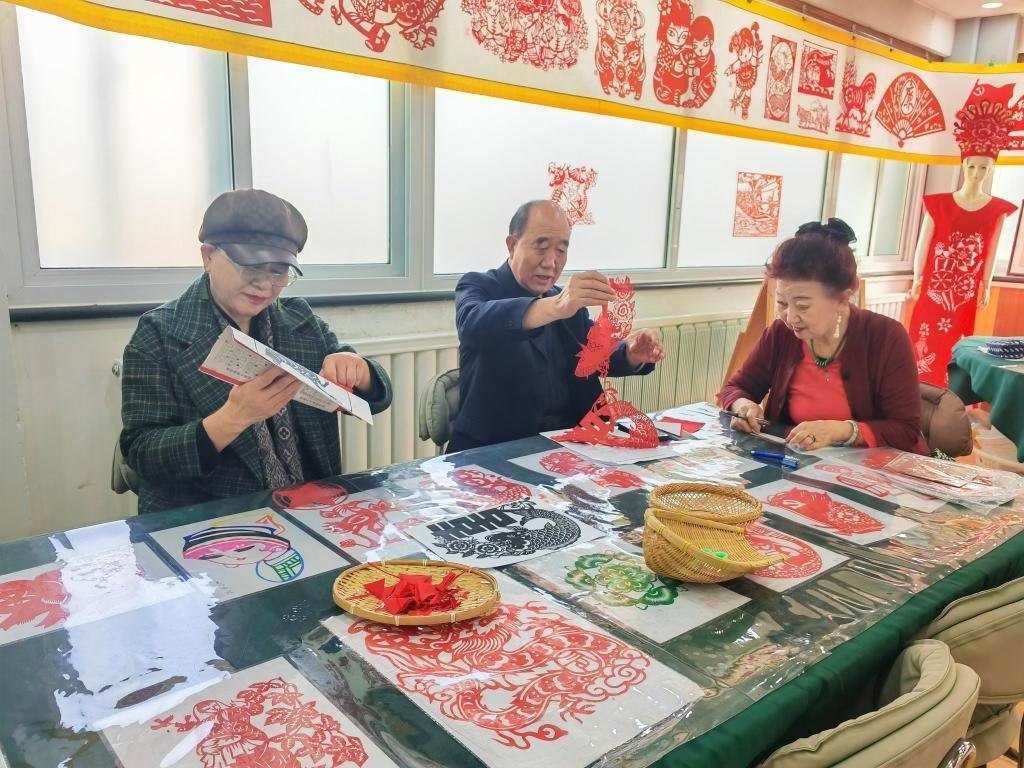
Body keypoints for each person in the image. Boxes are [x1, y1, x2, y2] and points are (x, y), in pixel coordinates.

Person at [120, 189, 393, 514]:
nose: (264, 285)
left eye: (278, 271)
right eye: (250, 267)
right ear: (208, 256)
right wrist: (232, 418)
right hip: (213, 518)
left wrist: (360, 371)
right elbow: (142, 454)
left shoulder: (300, 321)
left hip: (310, 506)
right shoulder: (160, 333)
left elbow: (374, 397)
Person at [449, 200, 665, 452]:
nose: (551, 263)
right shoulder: (479, 286)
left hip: (571, 445)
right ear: (512, 245)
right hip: (497, 449)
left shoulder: (565, 303)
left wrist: (631, 354)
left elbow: (595, 354)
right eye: (541, 247)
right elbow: (473, 323)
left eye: (561, 251)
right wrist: (556, 306)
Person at [719, 218, 928, 454]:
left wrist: (841, 431)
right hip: (796, 464)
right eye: (782, 303)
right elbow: (736, 388)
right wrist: (743, 405)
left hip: (872, 469)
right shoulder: (780, 334)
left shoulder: (886, 337)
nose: (790, 317)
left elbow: (905, 430)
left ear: (842, 298)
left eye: (803, 306)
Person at [907, 82, 1019, 387]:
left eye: (984, 169)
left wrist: (986, 284)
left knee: (958, 348)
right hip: (933, 287)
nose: (977, 174)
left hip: (965, 294)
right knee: (923, 342)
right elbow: (923, 244)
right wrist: (917, 277)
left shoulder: (996, 209)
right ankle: (915, 394)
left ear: (990, 169)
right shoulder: (939, 204)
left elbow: (991, 250)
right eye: (973, 167)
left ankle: (951, 398)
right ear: (963, 164)